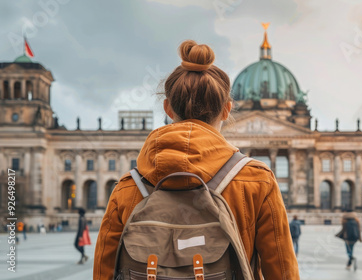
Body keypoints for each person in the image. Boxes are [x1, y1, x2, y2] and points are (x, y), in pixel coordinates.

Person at [93, 40, 299, 280]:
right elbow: (283, 273)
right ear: (227, 110)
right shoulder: (258, 180)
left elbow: (103, 273)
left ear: (168, 108)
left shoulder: (127, 187)